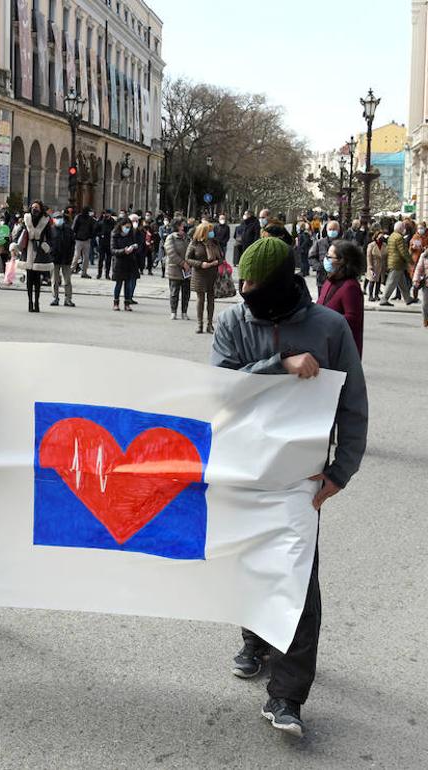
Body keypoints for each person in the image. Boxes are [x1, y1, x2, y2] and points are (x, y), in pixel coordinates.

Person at [213, 237, 367, 739]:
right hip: (243, 472)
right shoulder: (233, 321)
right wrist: (278, 366)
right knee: (249, 561)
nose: (244, 292)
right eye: (241, 284)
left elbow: (352, 405)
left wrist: (339, 472)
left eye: (254, 285)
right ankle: (255, 638)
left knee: (299, 578)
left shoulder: (330, 327)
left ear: (281, 282)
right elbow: (220, 390)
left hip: (300, 480)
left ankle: (287, 694)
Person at [318, 239, 365, 356]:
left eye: (330, 257)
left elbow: (352, 320)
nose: (326, 260)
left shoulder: (350, 287)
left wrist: (324, 321)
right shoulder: (330, 281)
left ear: (343, 261)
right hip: (324, 345)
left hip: (340, 350)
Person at [185, 222, 224, 334]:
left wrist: (217, 261)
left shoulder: (215, 243)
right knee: (200, 299)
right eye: (210, 231)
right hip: (200, 274)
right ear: (204, 232)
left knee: (211, 300)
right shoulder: (194, 243)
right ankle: (199, 324)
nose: (212, 233)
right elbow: (188, 258)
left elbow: (222, 257)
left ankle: (210, 324)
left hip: (213, 274)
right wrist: (200, 264)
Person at [19, 201, 52, 313]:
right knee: (29, 279)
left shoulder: (45, 220)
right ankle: (30, 303)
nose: (34, 209)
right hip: (28, 249)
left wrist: (45, 245)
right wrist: (16, 245)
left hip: (39, 250)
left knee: (37, 280)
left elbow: (50, 236)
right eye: (33, 207)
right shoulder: (26, 219)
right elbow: (21, 233)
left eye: (37, 207)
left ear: (41, 209)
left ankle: (37, 303)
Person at [109, 216, 142, 311]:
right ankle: (116, 303)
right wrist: (124, 251)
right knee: (118, 284)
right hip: (119, 262)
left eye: (129, 227)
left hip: (129, 262)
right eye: (126, 227)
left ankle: (127, 303)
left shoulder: (131, 234)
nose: (127, 229)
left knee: (128, 284)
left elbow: (137, 245)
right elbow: (113, 250)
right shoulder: (115, 234)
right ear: (121, 226)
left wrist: (134, 248)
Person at [380, 221, 415, 307]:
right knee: (392, 282)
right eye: (403, 228)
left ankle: (407, 298)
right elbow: (403, 251)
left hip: (394, 261)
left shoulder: (392, 236)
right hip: (397, 263)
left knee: (402, 283)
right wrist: (410, 261)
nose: (404, 230)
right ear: (400, 228)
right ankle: (384, 299)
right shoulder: (399, 237)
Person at [164, 219, 191, 320]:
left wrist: (189, 263)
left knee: (186, 293)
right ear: (177, 226)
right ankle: (173, 311)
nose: (183, 227)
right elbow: (171, 253)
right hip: (175, 270)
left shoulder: (187, 237)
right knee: (174, 292)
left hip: (187, 270)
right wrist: (183, 263)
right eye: (181, 225)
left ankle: (184, 312)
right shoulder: (171, 238)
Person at [48, 209, 75, 307]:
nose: (58, 219)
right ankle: (55, 298)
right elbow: (47, 244)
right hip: (54, 258)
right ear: (53, 219)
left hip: (66, 258)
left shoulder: (68, 230)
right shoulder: (51, 230)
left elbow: (72, 244)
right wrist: (50, 254)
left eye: (60, 218)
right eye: (56, 218)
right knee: (55, 281)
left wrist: (71, 256)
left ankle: (68, 299)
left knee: (67, 281)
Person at [308, 221, 341, 293]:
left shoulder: (343, 244)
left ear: (338, 230)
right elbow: (311, 257)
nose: (332, 231)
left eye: (334, 229)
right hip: (322, 278)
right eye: (330, 229)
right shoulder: (319, 243)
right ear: (327, 230)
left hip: (338, 278)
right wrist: (319, 267)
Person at [71, 208, 94, 278]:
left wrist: (90, 236)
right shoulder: (79, 217)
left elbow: (92, 228)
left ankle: (84, 272)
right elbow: (74, 227)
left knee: (86, 257)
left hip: (86, 239)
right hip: (79, 239)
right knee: (77, 256)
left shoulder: (89, 218)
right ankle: (71, 269)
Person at [365, 231, 386, 302]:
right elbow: (368, 256)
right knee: (372, 280)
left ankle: (376, 295)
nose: (381, 238)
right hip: (373, 266)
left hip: (381, 266)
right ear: (376, 237)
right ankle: (370, 295)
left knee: (379, 281)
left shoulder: (384, 245)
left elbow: (386, 255)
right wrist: (370, 265)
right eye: (380, 237)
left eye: (382, 237)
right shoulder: (371, 245)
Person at [96, 210, 115, 279]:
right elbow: (96, 231)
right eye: (105, 214)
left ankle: (107, 274)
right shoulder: (101, 222)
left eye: (108, 214)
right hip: (102, 243)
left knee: (108, 259)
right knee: (101, 258)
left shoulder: (113, 222)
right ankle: (99, 273)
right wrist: (100, 235)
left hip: (110, 243)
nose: (107, 215)